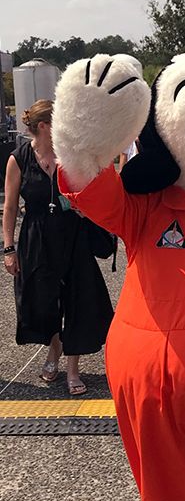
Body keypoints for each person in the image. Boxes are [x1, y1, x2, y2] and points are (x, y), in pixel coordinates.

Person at [2, 100, 113, 394]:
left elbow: (95, 189)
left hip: (72, 234)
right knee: (42, 301)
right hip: (37, 237)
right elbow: (10, 207)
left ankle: (73, 369)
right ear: (43, 126)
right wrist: (8, 248)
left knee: (78, 299)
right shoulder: (19, 159)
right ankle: (55, 349)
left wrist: (84, 207)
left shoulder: (70, 156)